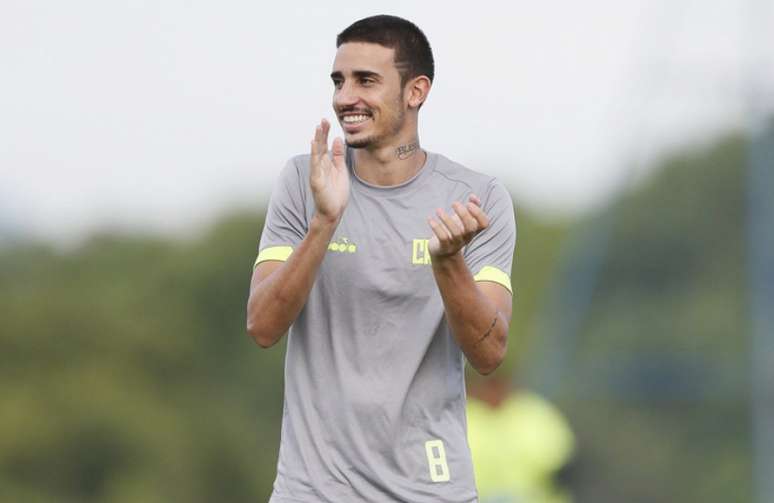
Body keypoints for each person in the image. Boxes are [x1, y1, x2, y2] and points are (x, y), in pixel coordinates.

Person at [246, 14, 516, 502]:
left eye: (366, 80)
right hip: (312, 491)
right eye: (339, 80)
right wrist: (323, 224)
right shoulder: (303, 182)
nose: (345, 96)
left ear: (416, 92)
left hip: (431, 490)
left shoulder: (478, 198)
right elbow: (262, 326)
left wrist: (448, 262)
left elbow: (489, 353)